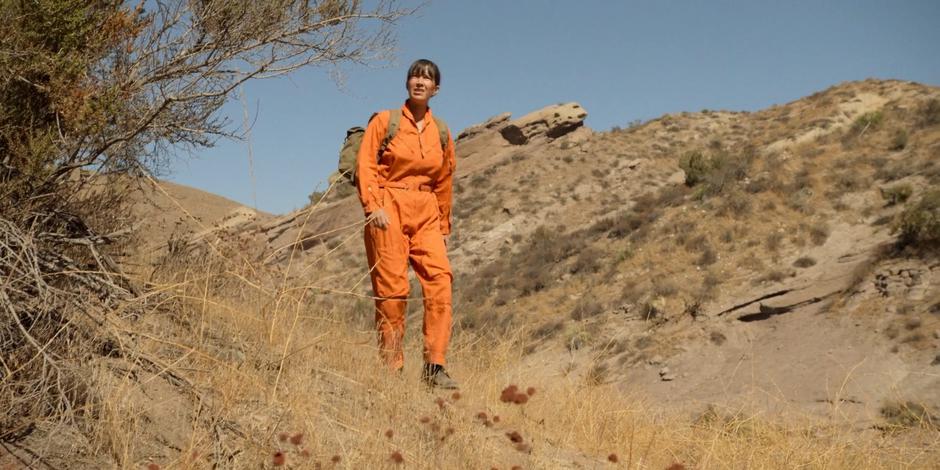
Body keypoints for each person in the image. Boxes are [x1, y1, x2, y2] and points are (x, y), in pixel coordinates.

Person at [355, 59, 458, 389]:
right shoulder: (386, 121)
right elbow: (366, 165)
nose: (419, 82)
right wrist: (373, 206)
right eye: (415, 76)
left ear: (435, 89)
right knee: (393, 291)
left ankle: (435, 366)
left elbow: (444, 180)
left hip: (426, 210)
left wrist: (443, 226)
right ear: (407, 83)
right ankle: (391, 367)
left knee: (441, 282)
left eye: (427, 79)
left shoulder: (441, 131)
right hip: (389, 206)